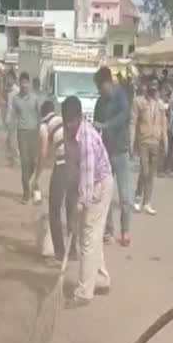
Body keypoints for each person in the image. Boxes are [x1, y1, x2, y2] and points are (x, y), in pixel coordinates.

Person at [62, 96, 113, 308]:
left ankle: (84, 292)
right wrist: (73, 198)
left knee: (88, 238)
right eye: (65, 120)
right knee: (91, 234)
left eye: (71, 121)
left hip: (99, 185)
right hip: (89, 184)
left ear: (80, 118)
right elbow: (75, 170)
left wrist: (79, 207)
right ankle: (100, 279)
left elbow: (89, 181)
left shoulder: (88, 140)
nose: (68, 125)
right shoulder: (70, 134)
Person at [93, 66, 132, 247]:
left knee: (125, 197)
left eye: (101, 87)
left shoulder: (121, 96)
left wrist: (106, 125)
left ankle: (125, 231)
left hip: (121, 152)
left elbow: (124, 116)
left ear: (108, 83)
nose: (100, 91)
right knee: (106, 194)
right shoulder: (100, 102)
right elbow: (95, 127)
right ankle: (108, 230)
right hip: (106, 152)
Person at [35, 99, 75, 262]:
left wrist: (36, 176)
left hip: (62, 165)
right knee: (71, 208)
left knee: (54, 208)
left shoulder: (44, 125)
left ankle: (59, 251)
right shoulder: (61, 119)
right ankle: (73, 251)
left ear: (42, 114)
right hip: (75, 163)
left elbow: (44, 152)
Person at [131, 78, 166, 215]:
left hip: (155, 142)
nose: (153, 89)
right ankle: (138, 197)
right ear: (147, 88)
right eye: (151, 86)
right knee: (144, 171)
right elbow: (133, 122)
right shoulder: (139, 102)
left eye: (155, 87)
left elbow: (163, 123)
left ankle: (147, 202)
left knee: (151, 174)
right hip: (144, 141)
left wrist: (165, 141)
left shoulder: (160, 105)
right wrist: (131, 140)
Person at [12, 72, 41, 203]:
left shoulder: (35, 98)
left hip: (34, 132)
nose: (24, 86)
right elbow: (15, 116)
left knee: (34, 162)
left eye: (26, 83)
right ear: (20, 84)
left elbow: (40, 115)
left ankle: (28, 182)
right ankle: (26, 193)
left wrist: (40, 131)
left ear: (29, 84)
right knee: (24, 162)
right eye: (22, 83)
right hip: (22, 133)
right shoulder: (15, 99)